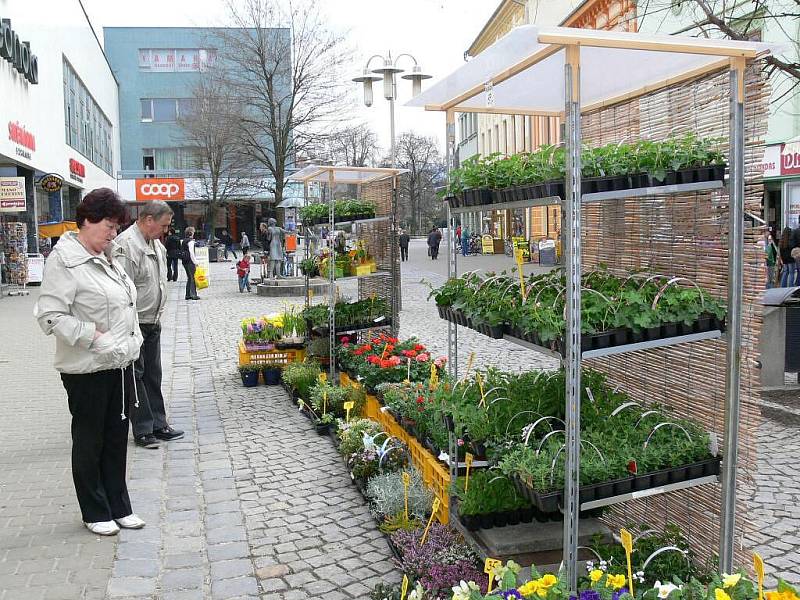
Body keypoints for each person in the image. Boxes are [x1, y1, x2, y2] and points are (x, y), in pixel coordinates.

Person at [33, 188, 145, 536]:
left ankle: (119, 505)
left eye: (116, 227)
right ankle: (94, 510)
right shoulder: (65, 260)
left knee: (116, 436)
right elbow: (50, 316)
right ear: (86, 221)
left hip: (120, 363)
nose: (114, 233)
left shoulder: (109, 256)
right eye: (109, 226)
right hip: (87, 368)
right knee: (90, 439)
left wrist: (132, 338)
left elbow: (125, 304)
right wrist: (95, 337)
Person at [115, 201, 184, 449]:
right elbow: (122, 289)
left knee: (154, 375)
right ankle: (143, 429)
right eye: (163, 225)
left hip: (152, 321)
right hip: (135, 323)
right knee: (137, 377)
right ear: (148, 220)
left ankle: (158, 423)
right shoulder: (126, 244)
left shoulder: (155, 243)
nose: (165, 231)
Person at [182, 227, 200, 300]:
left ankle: (188, 294)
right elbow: (191, 253)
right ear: (191, 233)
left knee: (189, 278)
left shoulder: (184, 241)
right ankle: (193, 295)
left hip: (185, 261)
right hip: (190, 261)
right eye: (193, 232)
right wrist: (195, 262)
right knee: (192, 278)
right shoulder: (191, 241)